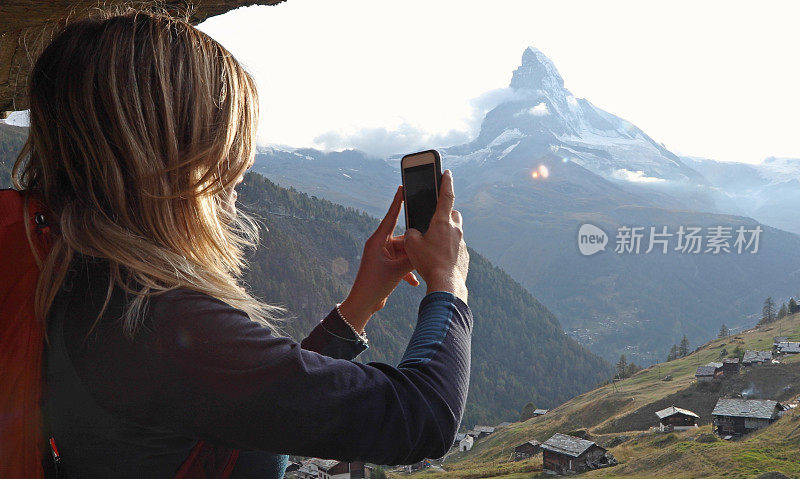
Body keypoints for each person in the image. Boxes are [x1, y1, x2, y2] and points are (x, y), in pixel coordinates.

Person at [9, 10, 471, 479]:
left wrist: (358, 307)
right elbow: (421, 417)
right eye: (226, 167)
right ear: (172, 162)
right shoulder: (157, 323)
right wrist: (447, 284)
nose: (234, 193)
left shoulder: (76, 277)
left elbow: (265, 412)